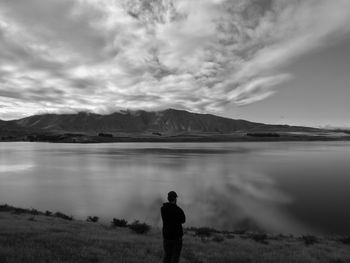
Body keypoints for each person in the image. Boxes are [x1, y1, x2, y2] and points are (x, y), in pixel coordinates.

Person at [161, 191, 186, 263]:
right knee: (175, 257)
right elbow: (183, 220)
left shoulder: (163, 209)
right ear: (175, 199)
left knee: (167, 256)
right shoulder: (178, 210)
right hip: (176, 238)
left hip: (166, 236)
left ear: (168, 198)